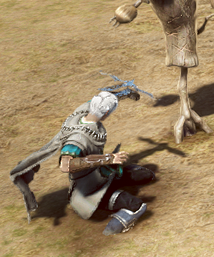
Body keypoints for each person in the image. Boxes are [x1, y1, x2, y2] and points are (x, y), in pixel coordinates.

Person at [10, 92, 155, 235]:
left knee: (146, 175)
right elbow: (66, 165)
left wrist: (126, 92)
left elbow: (106, 95)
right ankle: (112, 229)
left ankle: (118, 179)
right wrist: (108, 159)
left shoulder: (83, 111)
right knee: (136, 206)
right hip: (89, 192)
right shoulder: (78, 139)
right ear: (106, 113)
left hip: (102, 174)